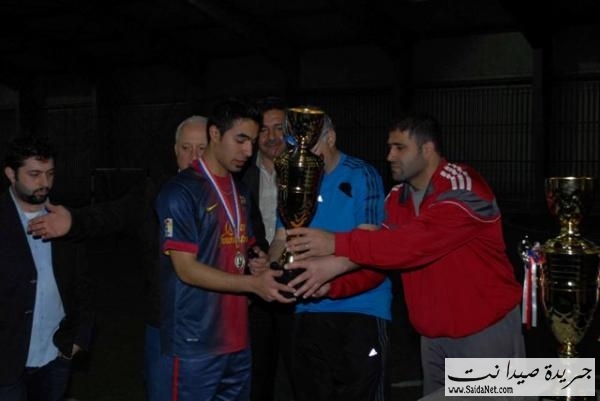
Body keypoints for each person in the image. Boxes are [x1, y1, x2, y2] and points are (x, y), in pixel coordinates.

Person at [283, 113, 525, 396]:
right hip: (432, 339)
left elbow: (412, 244)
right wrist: (332, 285)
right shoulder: (397, 198)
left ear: (427, 149)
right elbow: (377, 264)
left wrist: (335, 243)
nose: (390, 156)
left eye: (400, 147)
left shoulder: (463, 186)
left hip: (483, 332)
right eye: (389, 147)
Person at [25, 115, 209, 401]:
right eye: (186, 148)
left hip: (214, 322)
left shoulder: (231, 194)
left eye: (202, 148)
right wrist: (73, 221)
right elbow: (112, 214)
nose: (193, 157)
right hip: (165, 321)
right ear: (175, 150)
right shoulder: (154, 192)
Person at [154, 98, 294, 401]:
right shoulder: (180, 192)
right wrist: (253, 284)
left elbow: (245, 247)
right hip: (194, 342)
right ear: (215, 134)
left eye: (252, 142)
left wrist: (256, 262)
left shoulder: (239, 190)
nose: (248, 151)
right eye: (240, 140)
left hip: (238, 340)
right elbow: (186, 269)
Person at [268, 115, 393, 401]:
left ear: (330, 138)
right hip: (306, 309)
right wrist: (274, 266)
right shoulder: (294, 178)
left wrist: (328, 259)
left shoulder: (362, 175)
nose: (301, 155)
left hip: (361, 309)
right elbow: (280, 238)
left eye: (309, 147)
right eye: (294, 147)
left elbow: (372, 242)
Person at [0, 135, 94, 401]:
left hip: (55, 356)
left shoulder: (64, 218)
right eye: (34, 174)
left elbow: (83, 283)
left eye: (50, 173)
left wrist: (79, 339)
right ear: (11, 174)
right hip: (6, 363)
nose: (45, 183)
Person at [240, 96, 295, 401]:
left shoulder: (309, 173)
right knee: (257, 373)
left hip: (298, 285)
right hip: (256, 286)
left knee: (296, 371)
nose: (272, 136)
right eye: (264, 129)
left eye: (279, 128)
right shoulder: (241, 177)